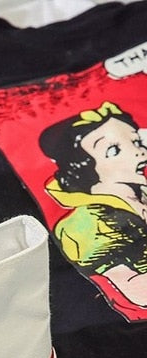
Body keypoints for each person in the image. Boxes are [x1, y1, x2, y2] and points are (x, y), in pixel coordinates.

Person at [39, 101, 147, 316]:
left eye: (136, 141)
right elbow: (136, 289)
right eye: (114, 150)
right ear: (83, 166)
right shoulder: (89, 222)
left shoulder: (141, 195)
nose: (139, 152)